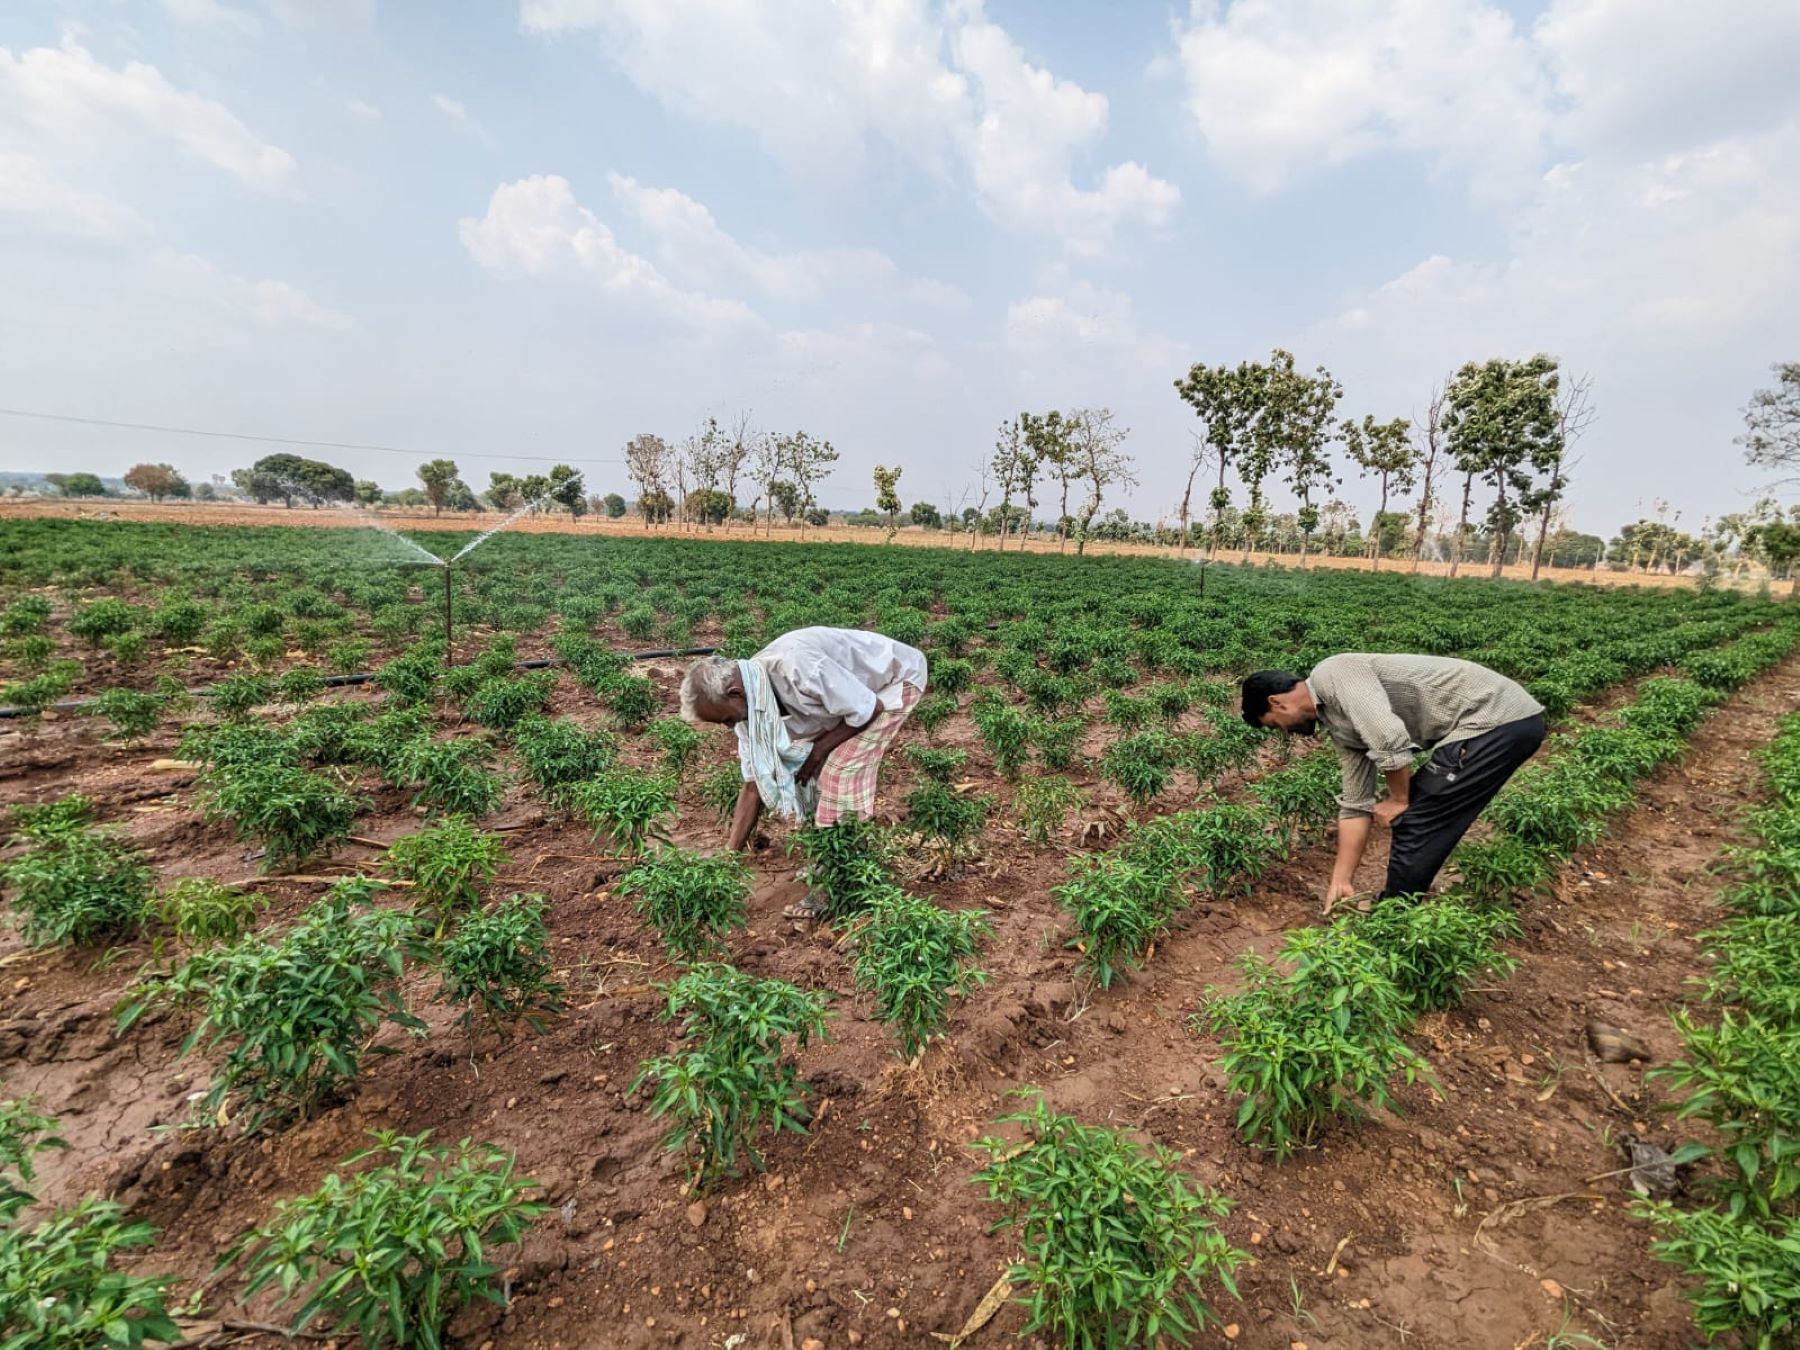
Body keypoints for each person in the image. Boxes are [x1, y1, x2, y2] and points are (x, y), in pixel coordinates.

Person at [1241, 653, 1545, 912]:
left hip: (1497, 717)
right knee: (1420, 812)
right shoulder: (1339, 727)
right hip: (1495, 725)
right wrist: (1341, 879)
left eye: (1273, 725)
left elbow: (1388, 737)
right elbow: (1355, 805)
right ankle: (1398, 908)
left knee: (1416, 816)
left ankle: (1396, 917)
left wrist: (1399, 798)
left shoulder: (1333, 673)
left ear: (1276, 703)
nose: (1282, 733)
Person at [680, 627, 928, 912]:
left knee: (838, 772)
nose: (729, 726)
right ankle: (831, 861)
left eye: (725, 719)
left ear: (736, 693)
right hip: (848, 702)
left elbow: (867, 708)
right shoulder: (749, 714)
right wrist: (728, 859)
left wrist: (819, 751)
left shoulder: (797, 666)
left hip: (893, 683)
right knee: (808, 770)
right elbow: (753, 786)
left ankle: (844, 883)